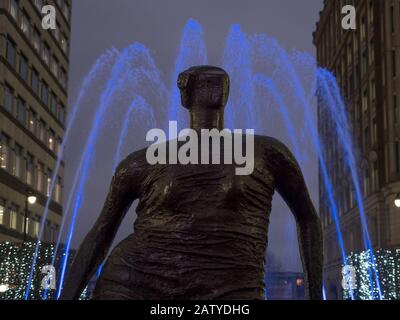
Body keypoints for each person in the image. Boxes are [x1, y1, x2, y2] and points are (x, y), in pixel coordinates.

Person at [61, 66, 323, 300]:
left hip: (232, 288)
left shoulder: (266, 153)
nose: (214, 87)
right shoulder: (142, 163)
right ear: (186, 97)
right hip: (134, 281)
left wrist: (315, 293)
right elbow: (101, 232)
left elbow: (308, 219)